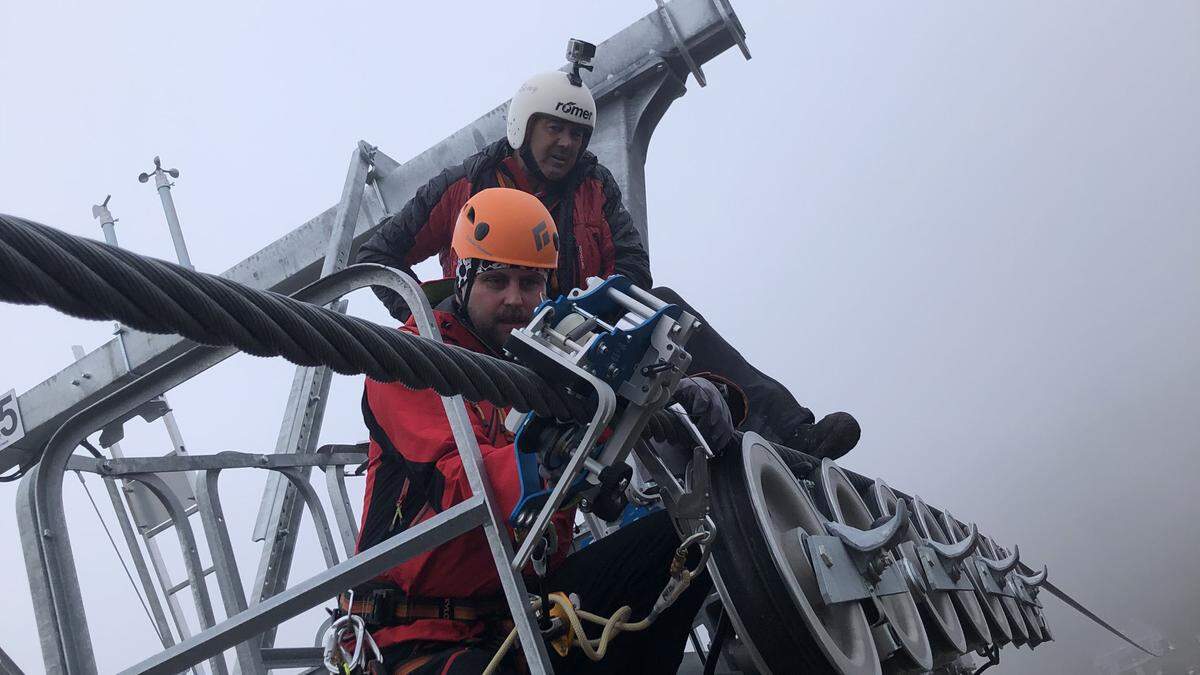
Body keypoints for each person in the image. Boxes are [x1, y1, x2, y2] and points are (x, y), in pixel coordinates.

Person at [358, 67, 858, 461]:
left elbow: (633, 267)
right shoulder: (465, 183)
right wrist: (436, 321)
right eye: (555, 128)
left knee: (668, 313)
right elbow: (380, 256)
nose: (567, 144)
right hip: (490, 345)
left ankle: (787, 434)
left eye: (577, 133)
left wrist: (592, 316)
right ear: (524, 127)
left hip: (582, 342)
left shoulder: (595, 187)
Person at [350, 188, 721, 674]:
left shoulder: (542, 370)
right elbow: (463, 487)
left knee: (684, 541)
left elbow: (613, 433)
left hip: (519, 617)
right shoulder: (410, 362)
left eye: (529, 283)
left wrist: (677, 393)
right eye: (497, 280)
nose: (514, 300)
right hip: (415, 638)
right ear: (460, 279)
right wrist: (554, 456)